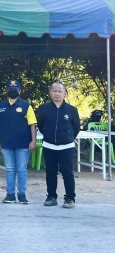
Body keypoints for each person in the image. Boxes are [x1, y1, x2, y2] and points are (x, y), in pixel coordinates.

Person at [37, 81, 80, 209]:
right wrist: (49, 136)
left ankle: (70, 198)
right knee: (50, 172)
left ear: (64, 93)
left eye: (59, 91)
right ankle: (51, 197)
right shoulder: (44, 108)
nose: (57, 94)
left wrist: (67, 138)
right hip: (49, 146)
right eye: (54, 91)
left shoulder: (72, 110)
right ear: (50, 92)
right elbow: (41, 125)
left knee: (67, 173)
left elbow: (76, 127)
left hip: (66, 147)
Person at [0, 80, 37, 204]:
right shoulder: (0, 106)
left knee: (21, 170)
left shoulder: (26, 106)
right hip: (6, 143)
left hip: (23, 143)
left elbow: (32, 124)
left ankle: (22, 194)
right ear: (7, 91)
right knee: (10, 169)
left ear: (20, 91)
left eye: (15, 89)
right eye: (10, 89)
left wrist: (33, 141)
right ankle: (10, 195)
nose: (12, 91)